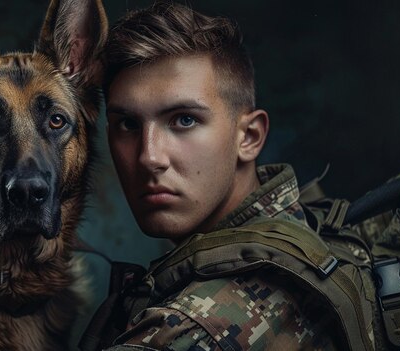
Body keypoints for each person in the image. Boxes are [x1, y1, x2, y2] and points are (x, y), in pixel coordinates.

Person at [85, 2, 345, 350]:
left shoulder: (191, 331)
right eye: (128, 124)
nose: (149, 157)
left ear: (249, 137)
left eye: (184, 119)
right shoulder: (300, 229)